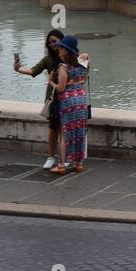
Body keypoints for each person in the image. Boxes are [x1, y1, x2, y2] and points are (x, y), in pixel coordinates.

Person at [13, 29, 65, 169]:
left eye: (55, 41)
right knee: (54, 128)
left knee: (65, 129)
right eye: (49, 43)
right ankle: (51, 156)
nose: (52, 44)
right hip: (53, 97)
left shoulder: (69, 55)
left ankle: (65, 158)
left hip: (68, 96)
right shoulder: (48, 59)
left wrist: (86, 57)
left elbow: (82, 66)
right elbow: (33, 71)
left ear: (62, 39)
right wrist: (18, 69)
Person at [51, 35, 90, 175]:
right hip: (81, 100)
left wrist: (50, 82)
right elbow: (86, 58)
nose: (59, 50)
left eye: (61, 48)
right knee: (79, 131)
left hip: (68, 102)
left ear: (66, 50)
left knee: (65, 133)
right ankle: (78, 164)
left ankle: (61, 165)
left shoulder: (63, 67)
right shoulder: (83, 62)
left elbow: (61, 88)